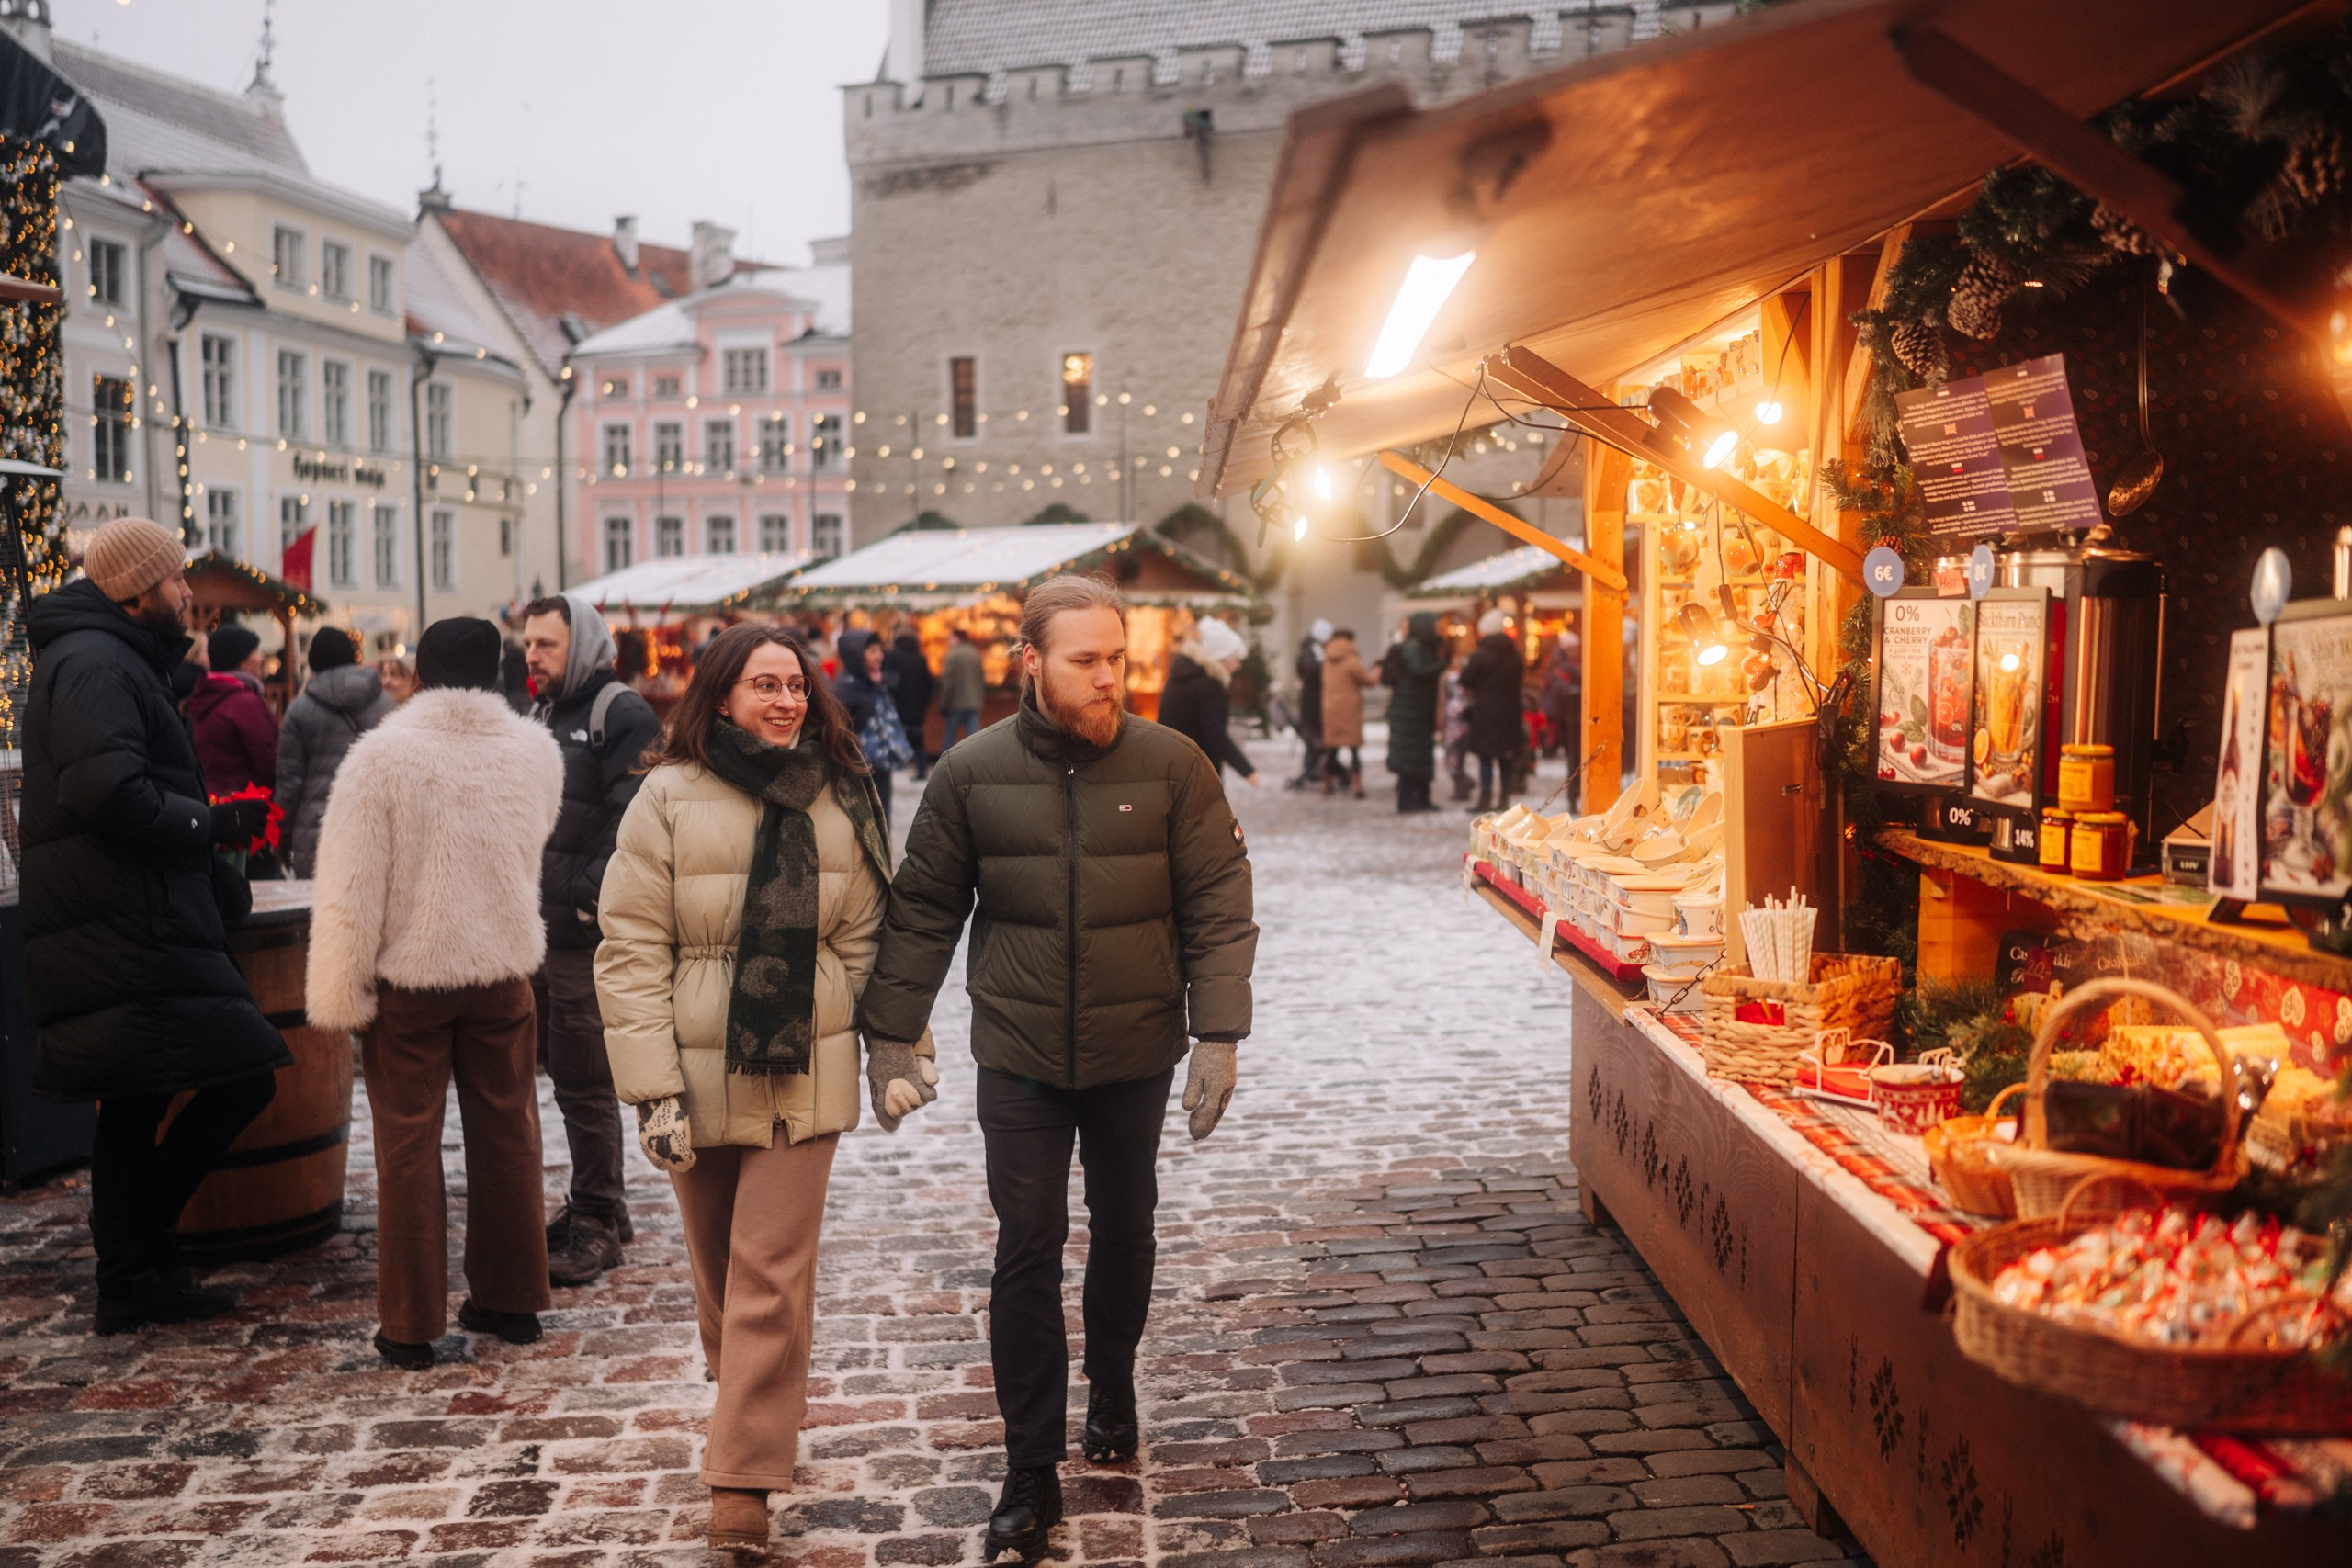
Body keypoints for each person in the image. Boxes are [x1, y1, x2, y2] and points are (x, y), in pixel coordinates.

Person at [857, 574, 1257, 1560]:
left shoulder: (1172, 765)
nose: (1108, 678)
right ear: (1029, 662)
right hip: (1021, 1057)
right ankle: (1029, 1469)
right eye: (1086, 662)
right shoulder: (969, 772)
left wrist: (1219, 1032)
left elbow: (1216, 898)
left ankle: (1112, 1382)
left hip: (1134, 1049)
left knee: (1126, 1226)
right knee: (1026, 1247)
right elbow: (924, 911)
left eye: (1117, 658)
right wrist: (890, 1033)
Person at [596, 624, 934, 1557]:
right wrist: (652, 1090)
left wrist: (893, 1051)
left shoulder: (844, 794)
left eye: (796, 685)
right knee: (720, 1273)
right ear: (720, 697)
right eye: (764, 686)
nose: (785, 701)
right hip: (695, 1071)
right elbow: (627, 952)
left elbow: (874, 938)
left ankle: (741, 1476)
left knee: (767, 1274)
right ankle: (746, 1386)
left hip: (803, 1063)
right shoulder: (664, 797)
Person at [21, 517, 288, 1334]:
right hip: (124, 924)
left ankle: (136, 1269)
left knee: (136, 1104)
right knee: (242, 1075)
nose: (188, 593)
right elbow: (108, 795)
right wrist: (208, 828)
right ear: (139, 591)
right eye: (177, 581)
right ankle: (137, 1259)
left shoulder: (110, 656)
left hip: (132, 914)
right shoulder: (97, 664)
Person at [305, 617, 564, 1371]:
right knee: (510, 1132)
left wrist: (342, 989)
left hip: (410, 977)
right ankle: (513, 1300)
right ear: (499, 670)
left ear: (418, 673)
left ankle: (410, 1322)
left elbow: (351, 887)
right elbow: (528, 849)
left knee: (408, 1145)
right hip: (502, 968)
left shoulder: (380, 758)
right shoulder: (535, 753)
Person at [519, 592, 663, 1287]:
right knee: (568, 1074)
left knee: (585, 1080)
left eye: (545, 645)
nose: (532, 657)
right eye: (528, 645)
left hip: (582, 933)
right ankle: (601, 1200)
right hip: (543, 929)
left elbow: (638, 827)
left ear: (577, 647)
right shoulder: (544, 712)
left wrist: (580, 895)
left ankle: (598, 1218)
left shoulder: (621, 713)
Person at [275, 626, 394, 878]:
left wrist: (282, 833)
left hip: (319, 829)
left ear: (314, 662)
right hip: (376, 825)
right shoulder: (385, 703)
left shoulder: (300, 709)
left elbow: (290, 783)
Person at [1157, 616, 1259, 785]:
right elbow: (1215, 733)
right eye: (1235, 659)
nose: (1238, 665)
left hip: (1174, 766)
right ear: (1221, 658)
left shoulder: (1184, 674)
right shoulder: (1208, 684)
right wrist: (1247, 770)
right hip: (1197, 772)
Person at [189, 622, 278, 798]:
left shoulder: (208, 695)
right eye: (255, 651)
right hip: (247, 804)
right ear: (240, 660)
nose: (261, 657)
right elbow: (271, 761)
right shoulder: (243, 703)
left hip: (217, 800)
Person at [831, 628, 904, 826]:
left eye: (879, 650)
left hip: (881, 765)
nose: (879, 656)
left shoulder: (877, 684)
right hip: (855, 770)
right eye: (871, 651)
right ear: (855, 655)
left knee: (882, 819)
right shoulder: (841, 691)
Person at [1459, 609, 1528, 813]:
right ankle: (1504, 799)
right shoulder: (1514, 654)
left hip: (1485, 711)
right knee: (1506, 756)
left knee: (1485, 756)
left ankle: (1485, 798)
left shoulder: (1481, 655)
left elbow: (1465, 680)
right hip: (1510, 711)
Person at [1382, 612, 1445, 814]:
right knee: (1410, 760)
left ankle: (1422, 798)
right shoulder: (1413, 647)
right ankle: (1407, 800)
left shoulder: (1423, 647)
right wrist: (1443, 664)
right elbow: (1419, 671)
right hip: (1409, 713)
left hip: (1417, 711)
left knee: (1420, 756)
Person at [1318, 628, 1375, 799]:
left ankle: (1327, 783)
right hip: (1349, 710)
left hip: (1330, 709)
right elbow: (1369, 681)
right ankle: (1357, 785)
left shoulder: (1327, 661)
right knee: (1354, 750)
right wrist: (1378, 668)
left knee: (1332, 750)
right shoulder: (1352, 661)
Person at [884, 629, 937, 780]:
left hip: (897, 705)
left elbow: (888, 680)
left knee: (895, 735)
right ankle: (921, 770)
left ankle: (896, 767)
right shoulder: (920, 659)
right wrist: (923, 703)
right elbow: (928, 683)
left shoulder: (892, 657)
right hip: (916, 707)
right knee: (917, 739)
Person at [1287, 618, 1329, 789]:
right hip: (1312, 701)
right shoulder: (1312, 650)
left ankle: (1313, 768)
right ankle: (1312, 769)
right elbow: (1308, 670)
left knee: (1314, 739)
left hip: (1312, 699)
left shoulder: (1312, 649)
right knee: (1313, 738)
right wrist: (1323, 666)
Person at [938, 626, 986, 750]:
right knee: (974, 738)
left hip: (955, 704)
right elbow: (981, 678)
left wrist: (943, 704)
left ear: (956, 638)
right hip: (973, 703)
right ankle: (976, 765)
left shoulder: (952, 655)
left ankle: (945, 766)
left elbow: (948, 683)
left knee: (949, 737)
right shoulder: (975, 654)